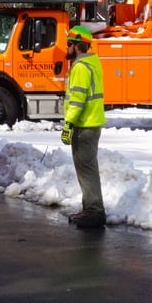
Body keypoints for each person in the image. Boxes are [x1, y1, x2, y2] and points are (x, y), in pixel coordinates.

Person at [61, 24, 106, 229]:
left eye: (68, 43)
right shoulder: (91, 63)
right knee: (87, 168)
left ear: (76, 45)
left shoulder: (80, 67)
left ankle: (94, 211)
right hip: (91, 122)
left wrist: (68, 124)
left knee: (86, 169)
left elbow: (77, 100)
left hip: (84, 124)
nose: (66, 48)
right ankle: (90, 208)